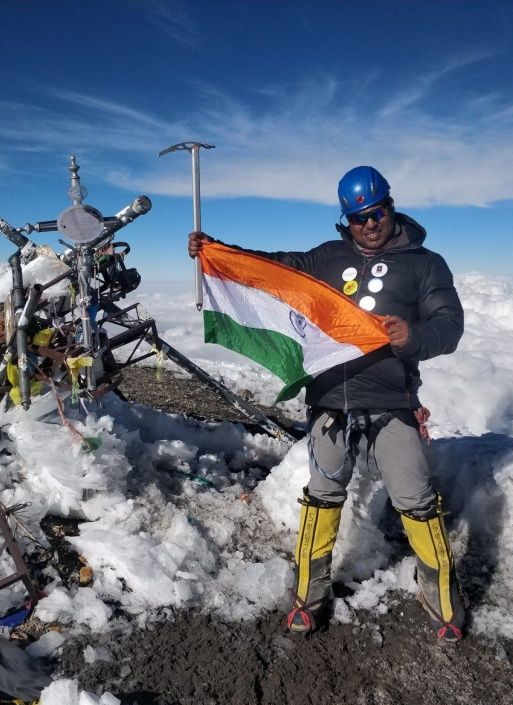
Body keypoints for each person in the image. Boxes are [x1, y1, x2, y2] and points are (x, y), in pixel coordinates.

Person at [188, 166, 466, 642]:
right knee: (322, 495)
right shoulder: (326, 258)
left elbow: (450, 325)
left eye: (376, 212)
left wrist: (415, 335)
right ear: (346, 220)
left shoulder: (426, 264)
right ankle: (310, 594)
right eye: (358, 217)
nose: (369, 224)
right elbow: (273, 270)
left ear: (391, 207)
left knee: (414, 496)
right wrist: (220, 252)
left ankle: (438, 588)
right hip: (329, 402)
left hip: (391, 399)